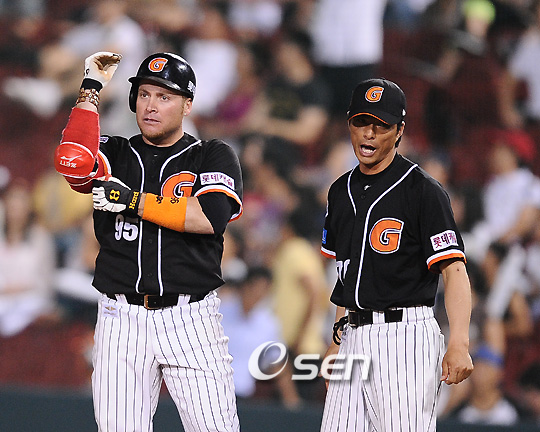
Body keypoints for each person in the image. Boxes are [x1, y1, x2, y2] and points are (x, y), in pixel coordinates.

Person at [54, 51, 242, 431]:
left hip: (190, 318)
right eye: (144, 94)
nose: (151, 106)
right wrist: (90, 88)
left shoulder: (211, 154)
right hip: (120, 317)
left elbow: (209, 217)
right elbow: (72, 161)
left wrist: (132, 201)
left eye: (164, 96)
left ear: (187, 105)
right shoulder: (115, 152)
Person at [319, 78, 474, 431]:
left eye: (381, 125)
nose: (369, 134)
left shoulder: (424, 191)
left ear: (400, 130)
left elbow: (454, 270)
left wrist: (459, 341)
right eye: (361, 122)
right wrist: (337, 341)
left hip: (405, 337)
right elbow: (347, 276)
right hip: (353, 335)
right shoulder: (340, 191)